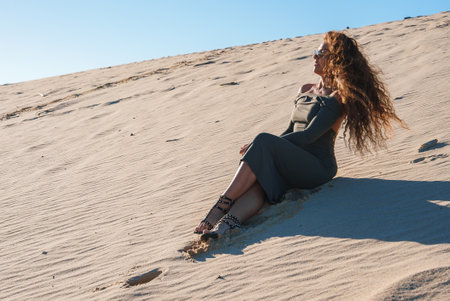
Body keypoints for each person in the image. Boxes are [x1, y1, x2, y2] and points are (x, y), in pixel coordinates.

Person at [195, 31, 405, 240]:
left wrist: (262, 145)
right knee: (260, 182)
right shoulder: (305, 89)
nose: (315, 56)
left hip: (317, 167)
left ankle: (219, 207)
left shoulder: (337, 97)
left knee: (262, 142)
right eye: (316, 51)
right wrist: (264, 150)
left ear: (336, 60)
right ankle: (224, 228)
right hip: (292, 158)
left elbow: (307, 137)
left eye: (322, 53)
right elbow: (289, 131)